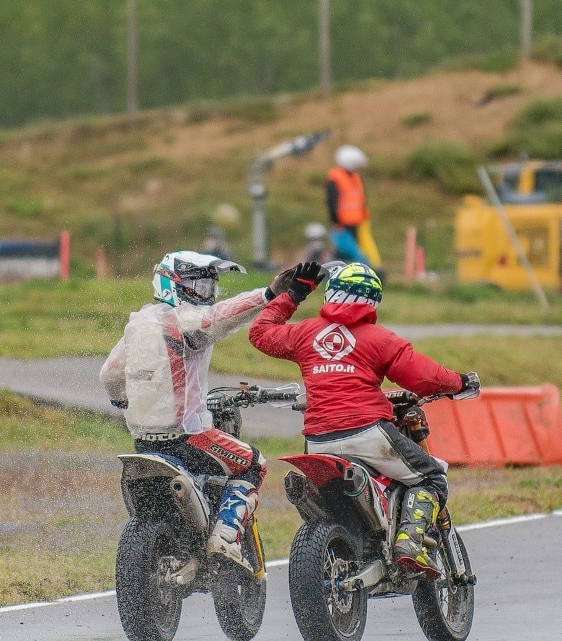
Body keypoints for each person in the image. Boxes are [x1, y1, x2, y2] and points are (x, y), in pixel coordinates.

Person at [248, 261, 479, 579]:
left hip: (317, 440)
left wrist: (295, 292)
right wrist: (461, 383)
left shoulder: (304, 333)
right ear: (373, 301)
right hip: (369, 432)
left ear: (330, 295)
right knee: (431, 477)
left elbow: (260, 333)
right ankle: (409, 543)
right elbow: (426, 378)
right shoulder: (381, 339)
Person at [100, 250, 294, 571]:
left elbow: (110, 373)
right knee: (253, 464)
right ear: (171, 283)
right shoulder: (184, 321)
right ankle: (225, 537)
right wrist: (269, 294)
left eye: (208, 287)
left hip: (142, 442)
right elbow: (220, 316)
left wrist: (121, 401)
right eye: (196, 286)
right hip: (189, 437)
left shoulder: (138, 323)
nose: (204, 295)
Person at [326, 145, 382, 270]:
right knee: (350, 252)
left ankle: (343, 273)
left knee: (344, 253)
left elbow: (360, 199)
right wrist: (336, 222)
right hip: (342, 224)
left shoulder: (354, 177)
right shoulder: (336, 177)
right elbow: (332, 201)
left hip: (357, 222)